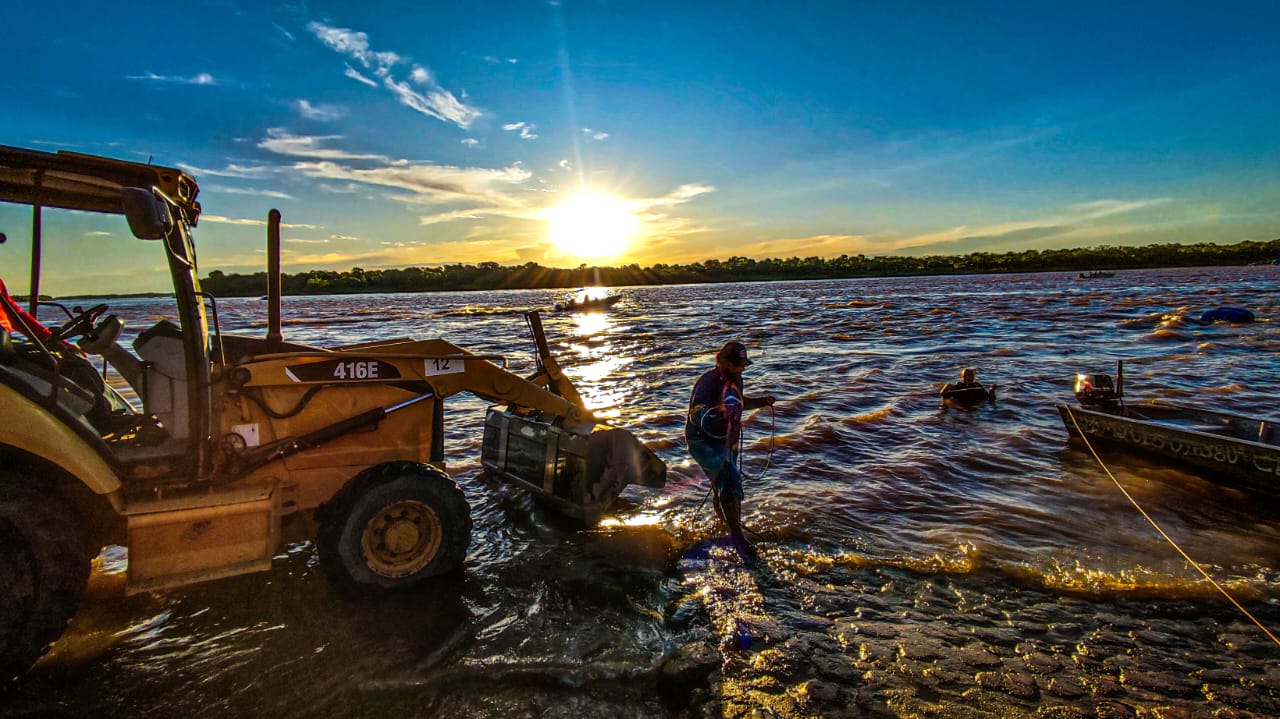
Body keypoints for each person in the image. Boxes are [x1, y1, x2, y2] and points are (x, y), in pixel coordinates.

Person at [686, 340, 775, 555]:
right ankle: (738, 537)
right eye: (738, 364)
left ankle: (726, 525)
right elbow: (696, 414)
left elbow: (740, 401)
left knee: (724, 485)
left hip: (728, 441)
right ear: (725, 362)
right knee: (729, 476)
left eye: (743, 364)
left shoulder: (737, 379)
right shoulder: (707, 383)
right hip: (702, 441)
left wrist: (762, 401)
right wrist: (720, 415)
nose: (742, 368)